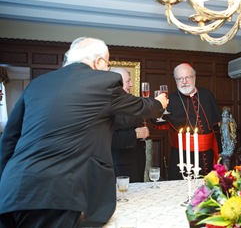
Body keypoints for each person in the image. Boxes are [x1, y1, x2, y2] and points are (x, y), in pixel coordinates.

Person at [0, 37, 168, 228]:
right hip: (55, 194)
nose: (107, 69)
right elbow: (142, 106)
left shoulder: (38, 84)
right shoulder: (103, 82)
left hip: (11, 191)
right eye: (107, 63)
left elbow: (9, 139)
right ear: (98, 61)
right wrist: (159, 104)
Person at [153, 63, 222, 180]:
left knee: (208, 187)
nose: (184, 81)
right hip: (181, 156)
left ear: (194, 78)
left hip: (207, 154)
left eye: (187, 77)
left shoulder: (207, 95)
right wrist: (155, 108)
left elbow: (216, 126)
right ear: (176, 81)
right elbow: (158, 123)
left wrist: (220, 151)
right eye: (180, 79)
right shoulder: (171, 99)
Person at [110, 67, 149, 182]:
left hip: (137, 159)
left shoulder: (131, 100)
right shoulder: (107, 104)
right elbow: (108, 138)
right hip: (119, 163)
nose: (131, 84)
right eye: (128, 81)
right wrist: (135, 134)